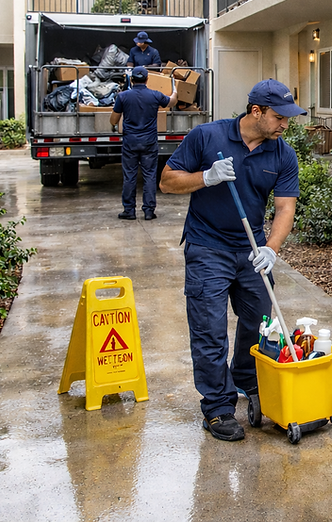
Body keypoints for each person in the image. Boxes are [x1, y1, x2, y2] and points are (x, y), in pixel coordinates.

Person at [159, 79, 305, 442]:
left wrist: (270, 248)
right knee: (209, 330)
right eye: (279, 117)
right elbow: (167, 181)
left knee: (260, 322)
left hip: (252, 248)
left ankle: (246, 379)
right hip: (207, 246)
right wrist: (206, 177)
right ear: (256, 112)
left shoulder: (283, 154)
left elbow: (285, 208)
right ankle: (218, 407)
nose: (285, 124)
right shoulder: (207, 137)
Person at [110, 66, 177, 220]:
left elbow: (114, 119)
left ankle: (129, 210)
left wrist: (113, 126)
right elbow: (172, 102)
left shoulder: (123, 96)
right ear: (147, 79)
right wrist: (175, 92)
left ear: (131, 80)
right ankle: (148, 211)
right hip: (149, 142)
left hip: (130, 142)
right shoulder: (155, 95)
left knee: (129, 176)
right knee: (150, 175)